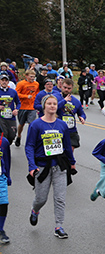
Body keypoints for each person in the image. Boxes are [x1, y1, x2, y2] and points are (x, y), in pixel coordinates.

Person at [25, 94, 77, 239]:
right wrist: (31, 165)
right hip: (42, 166)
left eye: (55, 103)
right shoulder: (36, 125)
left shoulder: (62, 125)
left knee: (60, 198)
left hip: (59, 166)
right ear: (44, 106)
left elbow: (67, 145)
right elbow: (29, 146)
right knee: (41, 198)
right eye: (49, 104)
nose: (53, 106)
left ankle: (59, 226)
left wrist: (72, 162)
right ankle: (35, 210)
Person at [57, 78, 87, 150]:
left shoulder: (76, 101)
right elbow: (52, 109)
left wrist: (82, 117)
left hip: (71, 130)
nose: (66, 90)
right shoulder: (55, 97)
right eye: (65, 87)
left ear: (72, 88)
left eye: (69, 88)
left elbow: (81, 113)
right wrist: (64, 101)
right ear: (61, 86)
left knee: (70, 150)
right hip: (58, 129)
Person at [0, 73, 20, 143]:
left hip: (11, 117)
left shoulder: (13, 92)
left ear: (8, 82)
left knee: (12, 135)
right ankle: (3, 150)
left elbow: (18, 103)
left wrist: (16, 109)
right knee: (4, 134)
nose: (4, 82)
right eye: (2, 80)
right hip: (1, 118)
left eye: (6, 80)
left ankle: (7, 145)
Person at [0, 127, 11, 244]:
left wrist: (8, 175)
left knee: (3, 202)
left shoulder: (3, 141)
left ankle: (0, 229)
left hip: (0, 176)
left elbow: (7, 159)